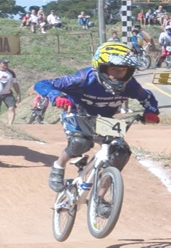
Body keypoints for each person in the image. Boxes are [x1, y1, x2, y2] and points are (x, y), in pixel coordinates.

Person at [34, 42, 160, 192]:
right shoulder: (83, 78)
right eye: (113, 69)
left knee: (121, 152)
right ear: (100, 67)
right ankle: (58, 166)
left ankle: (101, 196)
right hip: (77, 114)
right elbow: (42, 84)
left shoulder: (130, 85)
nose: (118, 75)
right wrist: (57, 97)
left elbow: (148, 97)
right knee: (81, 142)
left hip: (105, 120)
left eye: (123, 70)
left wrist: (150, 112)